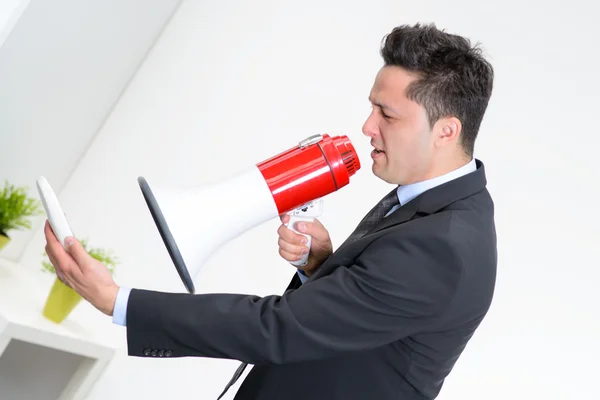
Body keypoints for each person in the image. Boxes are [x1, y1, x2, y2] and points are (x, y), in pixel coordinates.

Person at [43, 22, 497, 400]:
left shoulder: (444, 245)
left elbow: (280, 328)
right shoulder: (432, 206)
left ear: (446, 130)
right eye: (370, 108)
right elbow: (365, 320)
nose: (367, 127)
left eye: (387, 115)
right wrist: (321, 267)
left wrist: (120, 302)